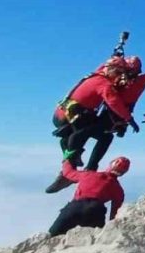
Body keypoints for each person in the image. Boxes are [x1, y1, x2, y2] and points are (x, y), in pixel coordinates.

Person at [47, 59, 133, 192]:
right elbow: (114, 102)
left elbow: (105, 65)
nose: (119, 77)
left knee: (72, 138)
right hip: (74, 117)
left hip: (61, 114)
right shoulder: (104, 84)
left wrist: (116, 55)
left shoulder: (95, 74)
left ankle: (70, 165)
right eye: (118, 73)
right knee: (104, 137)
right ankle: (83, 169)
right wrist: (129, 118)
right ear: (113, 71)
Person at [47, 156, 128, 237]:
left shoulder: (88, 174)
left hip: (75, 207)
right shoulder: (118, 190)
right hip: (96, 211)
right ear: (123, 173)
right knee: (96, 238)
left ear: (110, 165)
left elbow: (68, 173)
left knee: (53, 234)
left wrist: (66, 161)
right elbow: (115, 212)